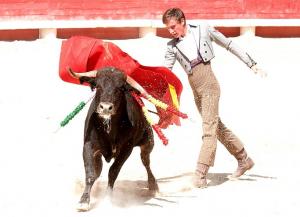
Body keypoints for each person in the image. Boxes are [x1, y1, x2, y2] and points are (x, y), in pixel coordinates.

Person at [162, 8, 266, 188]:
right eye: (168, 28)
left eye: (173, 26)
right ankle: (244, 159)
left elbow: (229, 44)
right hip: (195, 88)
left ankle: (200, 174)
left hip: (209, 84)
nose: (171, 31)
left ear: (182, 21)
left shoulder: (203, 28)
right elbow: (165, 72)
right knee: (216, 126)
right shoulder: (171, 46)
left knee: (209, 129)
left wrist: (252, 64)